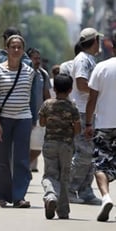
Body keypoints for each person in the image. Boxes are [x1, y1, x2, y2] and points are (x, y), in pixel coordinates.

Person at [0, 35, 34, 208]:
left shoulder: (29, 71)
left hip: (23, 118)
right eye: (13, 47)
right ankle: (2, 194)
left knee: (22, 159)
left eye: (19, 47)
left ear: (23, 50)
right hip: (4, 120)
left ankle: (19, 196)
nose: (16, 50)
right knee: (3, 159)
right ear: (6, 49)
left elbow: (29, 96)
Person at [39, 74, 81, 220]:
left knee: (50, 175)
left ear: (54, 89)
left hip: (50, 143)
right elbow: (77, 129)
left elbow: (42, 123)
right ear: (70, 90)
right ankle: (63, 211)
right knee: (64, 177)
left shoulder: (47, 104)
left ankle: (50, 196)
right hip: (67, 145)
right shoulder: (72, 107)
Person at [68, 27, 102, 205]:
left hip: (91, 110)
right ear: (94, 40)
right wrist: (99, 91)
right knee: (84, 153)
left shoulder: (91, 59)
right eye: (98, 40)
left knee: (92, 154)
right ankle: (69, 189)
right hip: (82, 111)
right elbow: (81, 84)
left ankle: (86, 190)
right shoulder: (82, 59)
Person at [84, 40, 116, 222]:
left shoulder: (101, 67)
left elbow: (91, 100)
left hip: (104, 124)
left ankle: (106, 198)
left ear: (112, 47)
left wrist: (88, 123)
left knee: (100, 165)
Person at [26, 48, 51, 173]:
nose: (37, 61)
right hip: (24, 116)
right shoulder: (23, 73)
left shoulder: (43, 74)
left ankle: (24, 166)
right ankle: (20, 170)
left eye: (38, 58)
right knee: (23, 147)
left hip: (39, 118)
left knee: (37, 148)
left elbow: (46, 95)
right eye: (34, 58)